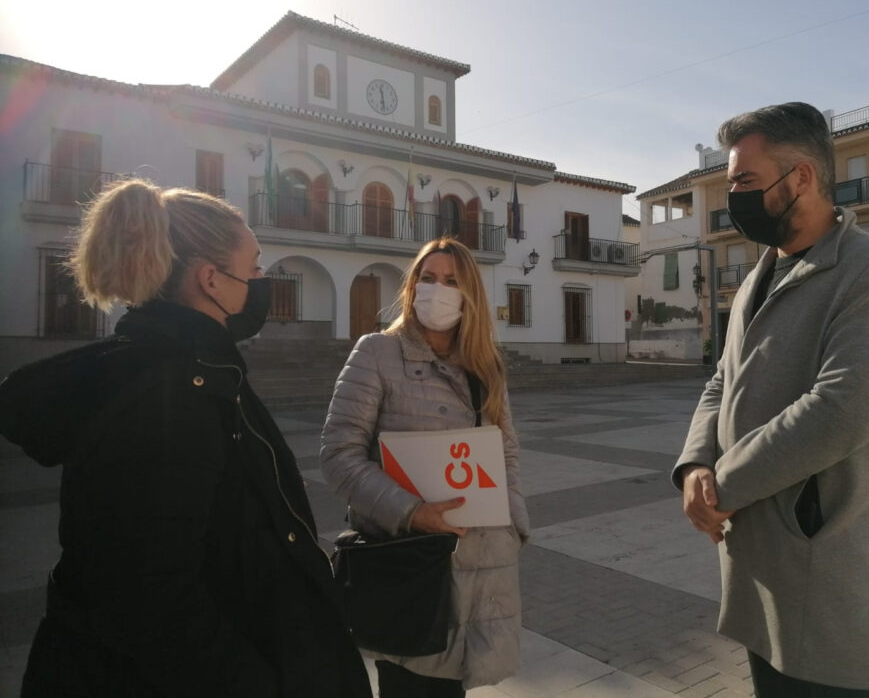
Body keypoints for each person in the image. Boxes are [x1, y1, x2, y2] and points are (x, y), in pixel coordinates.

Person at [0, 180, 371, 698]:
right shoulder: (169, 395)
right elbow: (148, 599)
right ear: (211, 280)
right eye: (255, 265)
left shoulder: (199, 372)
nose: (263, 280)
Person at [673, 103, 869, 697]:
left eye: (744, 182)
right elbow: (721, 381)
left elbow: (840, 410)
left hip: (825, 568)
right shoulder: (757, 278)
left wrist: (722, 486)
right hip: (757, 566)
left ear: (803, 178)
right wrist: (693, 467)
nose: (731, 197)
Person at [321, 237, 529, 698]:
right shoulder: (376, 352)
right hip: (410, 564)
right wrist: (413, 511)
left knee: (455, 685)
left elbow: (505, 450)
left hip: (482, 562)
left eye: (452, 281)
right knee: (412, 683)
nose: (438, 290)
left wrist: (513, 521)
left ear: (469, 292)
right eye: (428, 278)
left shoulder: (486, 365)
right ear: (412, 286)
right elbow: (338, 455)